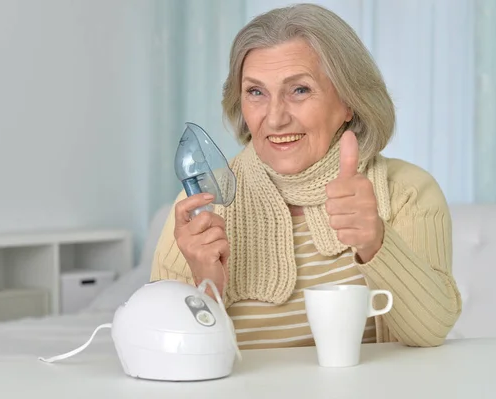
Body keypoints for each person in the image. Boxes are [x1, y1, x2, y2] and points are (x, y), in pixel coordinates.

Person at [150, 3, 462, 349]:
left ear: (348, 102)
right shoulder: (201, 206)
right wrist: (206, 285)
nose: (275, 118)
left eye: (299, 90)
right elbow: (163, 348)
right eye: (256, 92)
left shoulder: (406, 191)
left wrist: (376, 242)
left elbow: (430, 333)